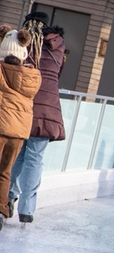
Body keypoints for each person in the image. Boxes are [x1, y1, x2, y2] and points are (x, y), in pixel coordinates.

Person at [8, 12, 65, 224]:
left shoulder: (23, 46)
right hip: (49, 111)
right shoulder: (58, 49)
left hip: (24, 107)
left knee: (16, 156)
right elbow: (57, 76)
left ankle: (7, 199)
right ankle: (27, 209)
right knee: (35, 158)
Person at [0, 24, 41, 231]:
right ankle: (0, 211)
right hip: (18, 133)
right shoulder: (33, 77)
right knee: (5, 172)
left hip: (1, 126)